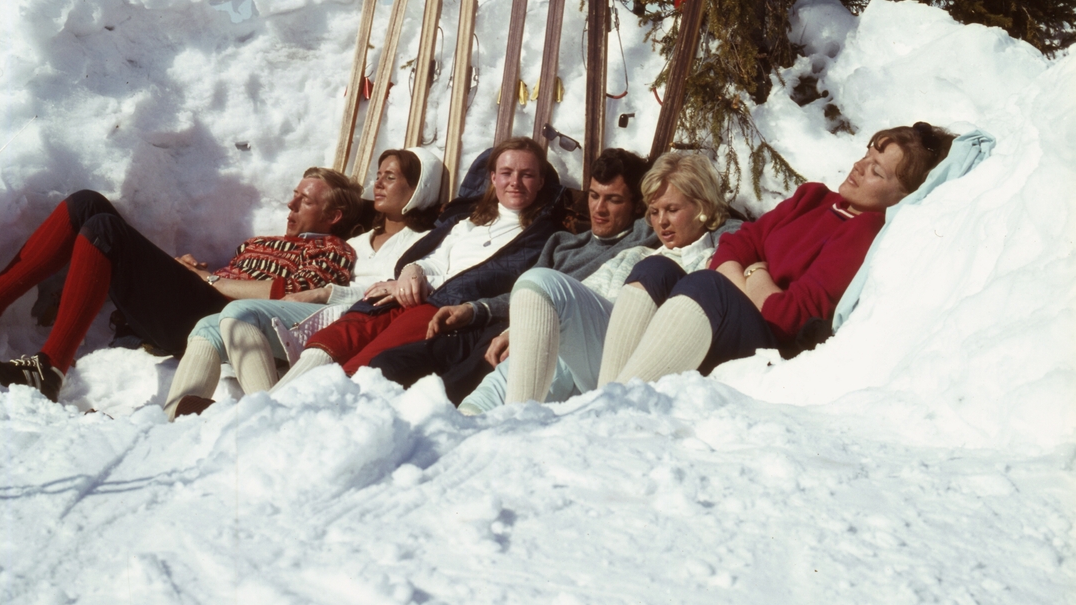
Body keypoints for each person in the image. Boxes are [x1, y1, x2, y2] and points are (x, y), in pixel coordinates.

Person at [0, 168, 365, 402]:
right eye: (294, 194)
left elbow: (291, 300)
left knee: (105, 231)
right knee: (87, 204)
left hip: (219, 324)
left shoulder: (332, 251)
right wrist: (193, 270)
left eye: (304, 200)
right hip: (199, 300)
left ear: (334, 216)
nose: (290, 203)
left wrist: (206, 278)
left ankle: (51, 367)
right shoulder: (262, 242)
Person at [597, 122, 956, 387]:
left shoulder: (863, 231)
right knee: (655, 268)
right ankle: (607, 397)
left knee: (707, 285)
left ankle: (615, 409)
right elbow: (734, 245)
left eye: (877, 170)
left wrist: (753, 271)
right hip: (740, 317)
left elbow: (790, 316)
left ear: (902, 195)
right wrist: (754, 277)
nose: (860, 166)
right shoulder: (813, 198)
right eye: (867, 155)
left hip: (769, 348)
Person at [163, 147, 444, 419]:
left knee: (240, 314)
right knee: (207, 326)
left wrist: (325, 293)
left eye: (390, 177)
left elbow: (405, 286)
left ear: (420, 188)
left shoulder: (427, 242)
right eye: (379, 174)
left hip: (364, 317)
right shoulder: (357, 243)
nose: (379, 183)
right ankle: (174, 419)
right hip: (332, 312)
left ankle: (269, 415)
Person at [369, 147, 657, 402]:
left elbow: (677, 204)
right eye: (594, 196)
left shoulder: (640, 239)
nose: (599, 209)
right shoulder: (563, 243)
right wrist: (473, 310)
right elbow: (522, 292)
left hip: (537, 339)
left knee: (443, 394)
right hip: (493, 325)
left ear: (639, 206)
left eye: (614, 200)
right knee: (387, 365)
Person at [460, 151, 735, 412]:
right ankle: (476, 412)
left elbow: (748, 231)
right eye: (654, 211)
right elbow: (578, 302)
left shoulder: (721, 257)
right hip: (601, 360)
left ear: (703, 207)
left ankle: (510, 420)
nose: (661, 222)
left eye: (672, 210)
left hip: (653, 362)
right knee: (539, 291)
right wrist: (522, 326)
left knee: (544, 288)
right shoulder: (634, 255)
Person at [276, 136, 562, 385]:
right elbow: (437, 259)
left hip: (444, 309)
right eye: (506, 172)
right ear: (493, 178)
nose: (514, 182)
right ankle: (274, 402)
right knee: (338, 338)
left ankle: (311, 409)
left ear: (540, 182)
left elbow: (507, 289)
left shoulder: (542, 237)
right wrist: (414, 271)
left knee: (360, 366)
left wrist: (424, 285)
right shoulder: (469, 221)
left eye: (526, 174)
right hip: (414, 294)